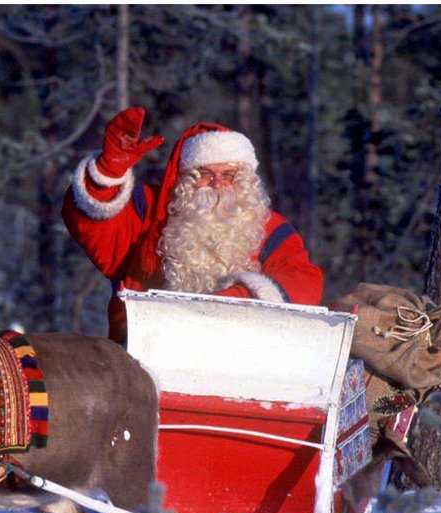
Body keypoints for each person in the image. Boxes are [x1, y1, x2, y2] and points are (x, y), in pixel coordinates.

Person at [62, 107, 323, 344]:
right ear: (186, 181)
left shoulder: (270, 228)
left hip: (241, 349)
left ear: (245, 182)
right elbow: (94, 230)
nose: (217, 183)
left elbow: (305, 281)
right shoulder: (150, 211)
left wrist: (241, 298)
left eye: (228, 175)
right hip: (148, 348)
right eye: (205, 175)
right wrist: (108, 173)